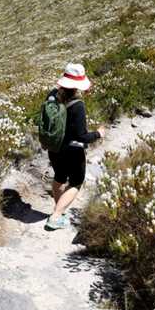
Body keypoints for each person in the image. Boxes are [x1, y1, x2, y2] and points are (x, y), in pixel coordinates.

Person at [45, 63, 106, 231]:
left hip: (54, 147)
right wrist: (98, 134)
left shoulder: (51, 96)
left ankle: (59, 210)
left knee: (59, 177)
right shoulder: (78, 105)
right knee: (76, 182)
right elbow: (81, 136)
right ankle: (56, 216)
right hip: (72, 151)